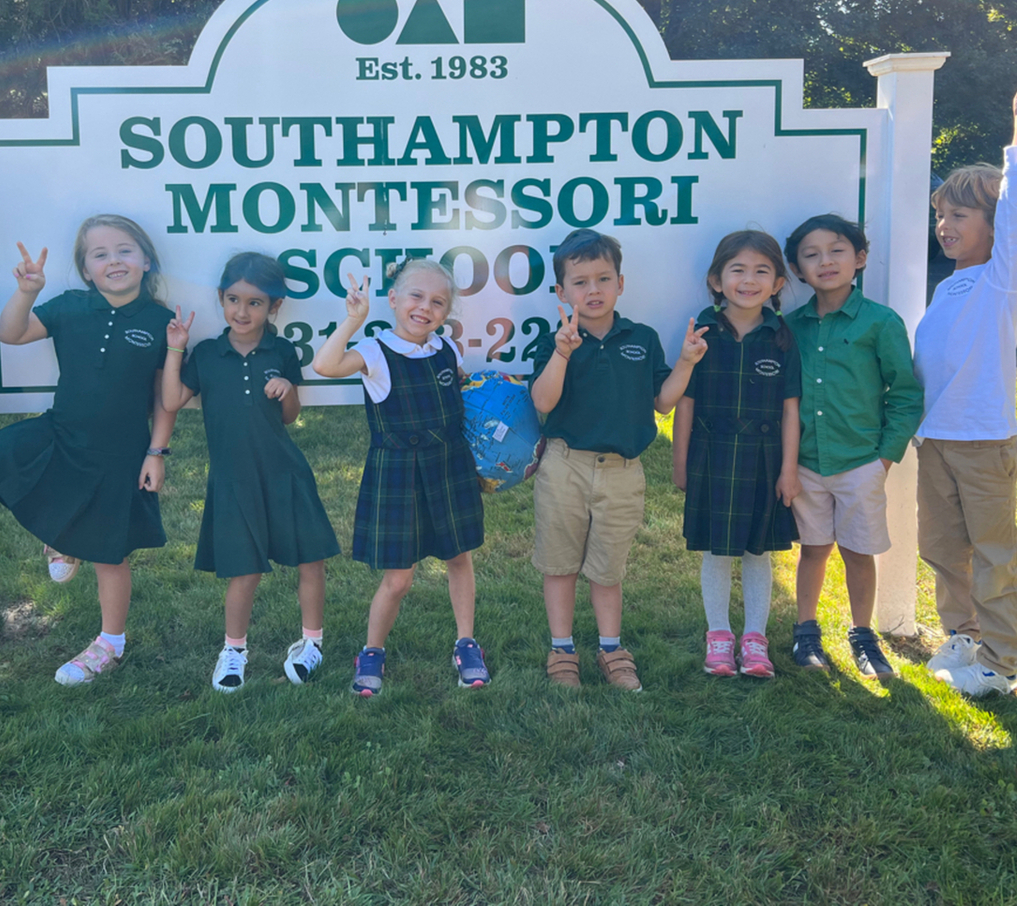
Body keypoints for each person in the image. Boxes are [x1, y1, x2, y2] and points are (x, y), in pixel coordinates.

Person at [0, 215, 176, 685]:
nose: (113, 260)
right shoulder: (68, 307)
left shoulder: (162, 322)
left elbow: (165, 399)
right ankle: (62, 539)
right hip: (61, 435)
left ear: (145, 260)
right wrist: (27, 291)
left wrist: (156, 453)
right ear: (85, 270)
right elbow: (11, 334)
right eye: (99, 254)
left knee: (110, 554)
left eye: (124, 250)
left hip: (122, 453)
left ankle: (110, 644)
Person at [917, 66, 1017, 697]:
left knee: (995, 556)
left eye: (960, 215)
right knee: (944, 548)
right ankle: (963, 637)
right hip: (936, 442)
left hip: (983, 441)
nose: (946, 226)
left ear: (992, 223)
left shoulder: (1006, 279)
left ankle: (1000, 664)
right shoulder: (948, 286)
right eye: (941, 215)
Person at [528, 229, 707, 690]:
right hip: (565, 465)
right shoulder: (554, 341)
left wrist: (687, 362)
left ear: (620, 285)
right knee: (560, 563)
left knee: (608, 568)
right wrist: (563, 353)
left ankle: (612, 648)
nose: (593, 290)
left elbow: (663, 403)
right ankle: (562, 648)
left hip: (624, 473)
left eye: (603, 279)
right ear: (561, 292)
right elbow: (543, 403)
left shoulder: (642, 339)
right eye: (580, 282)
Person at [160, 252, 341, 693]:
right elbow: (170, 401)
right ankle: (235, 651)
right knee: (244, 569)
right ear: (221, 299)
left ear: (274, 307)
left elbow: (290, 418)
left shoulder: (281, 351)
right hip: (233, 478)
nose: (242, 312)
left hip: (284, 472)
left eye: (255, 303)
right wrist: (175, 347)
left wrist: (287, 390)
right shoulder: (206, 354)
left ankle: (312, 644)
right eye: (234, 300)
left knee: (309, 559)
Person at [312, 258, 487, 696]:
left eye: (437, 302)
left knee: (459, 558)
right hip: (398, 474)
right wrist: (353, 321)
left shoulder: (447, 349)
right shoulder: (375, 350)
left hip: (449, 465)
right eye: (416, 296)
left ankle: (466, 643)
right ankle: (372, 651)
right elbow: (325, 366)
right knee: (399, 578)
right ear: (392, 299)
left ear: (447, 312)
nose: (425, 308)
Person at [783, 214, 922, 679]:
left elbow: (904, 394)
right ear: (798, 269)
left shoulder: (879, 323)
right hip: (805, 462)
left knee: (858, 552)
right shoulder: (790, 326)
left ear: (859, 259)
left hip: (860, 461)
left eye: (837, 250)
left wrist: (883, 457)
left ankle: (864, 637)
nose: (826, 261)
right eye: (811, 254)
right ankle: (806, 632)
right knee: (813, 548)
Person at [673, 231, 802, 678]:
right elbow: (685, 401)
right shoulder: (702, 332)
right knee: (716, 550)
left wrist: (788, 469)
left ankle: (754, 637)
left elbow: (790, 410)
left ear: (778, 283)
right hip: (712, 453)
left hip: (764, 459)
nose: (749, 281)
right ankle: (719, 635)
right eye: (738, 270)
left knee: (757, 550)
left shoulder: (783, 337)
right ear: (716, 279)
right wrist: (680, 458)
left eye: (761, 271)